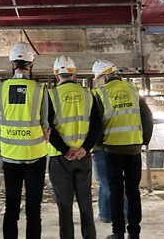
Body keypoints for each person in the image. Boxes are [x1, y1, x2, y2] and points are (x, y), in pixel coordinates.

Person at [92, 60, 153, 239]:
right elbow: (146, 116)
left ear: (103, 77)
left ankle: (117, 232)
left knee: (116, 191)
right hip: (134, 148)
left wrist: (99, 144)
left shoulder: (100, 94)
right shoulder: (133, 89)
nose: (98, 82)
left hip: (112, 150)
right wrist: (143, 140)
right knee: (133, 191)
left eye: (98, 79)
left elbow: (96, 125)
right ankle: (134, 232)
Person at [0, 42, 49, 239]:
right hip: (36, 156)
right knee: (34, 210)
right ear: (31, 65)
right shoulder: (40, 89)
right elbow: (45, 124)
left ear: (12, 64)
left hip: (10, 156)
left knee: (11, 207)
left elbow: (2, 117)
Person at [48, 55, 101, 239]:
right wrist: (84, 149)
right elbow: (96, 126)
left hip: (60, 158)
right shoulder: (89, 95)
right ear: (74, 74)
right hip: (83, 157)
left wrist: (65, 150)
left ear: (57, 75)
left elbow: (48, 127)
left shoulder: (51, 95)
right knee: (85, 203)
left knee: (64, 206)